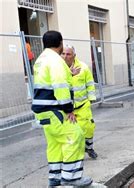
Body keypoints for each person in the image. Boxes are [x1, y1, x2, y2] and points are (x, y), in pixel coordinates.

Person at [31, 31, 93, 186]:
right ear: (59, 43)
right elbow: (60, 86)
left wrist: (68, 73)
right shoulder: (56, 61)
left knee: (55, 144)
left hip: (43, 111)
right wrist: (68, 109)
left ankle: (55, 178)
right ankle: (71, 178)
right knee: (76, 136)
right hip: (55, 110)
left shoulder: (41, 60)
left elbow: (50, 80)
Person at [61, 45, 98, 159]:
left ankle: (89, 147)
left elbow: (90, 84)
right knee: (71, 132)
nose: (65, 56)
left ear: (74, 55)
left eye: (68, 54)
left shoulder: (83, 67)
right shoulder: (58, 68)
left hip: (82, 105)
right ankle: (75, 153)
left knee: (89, 127)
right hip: (67, 108)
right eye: (63, 54)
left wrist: (91, 99)